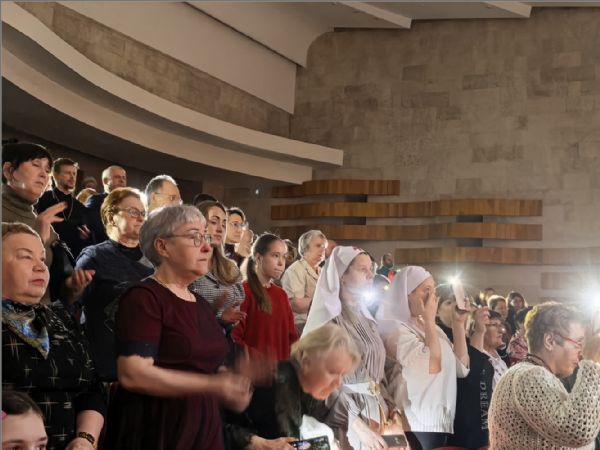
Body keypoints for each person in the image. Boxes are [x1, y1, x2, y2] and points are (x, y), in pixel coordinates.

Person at [103, 205, 252, 450]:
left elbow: (206, 367)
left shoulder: (201, 304)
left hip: (203, 430)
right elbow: (133, 374)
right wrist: (212, 384)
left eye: (205, 237)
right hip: (160, 430)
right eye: (194, 237)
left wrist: (233, 383)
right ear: (163, 247)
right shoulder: (144, 297)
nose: (207, 247)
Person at [2, 222, 106, 450]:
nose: (40, 266)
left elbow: (92, 390)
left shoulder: (62, 318)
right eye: (25, 257)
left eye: (42, 258)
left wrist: (85, 439)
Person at [303, 246, 403, 450]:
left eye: (371, 269)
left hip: (378, 413)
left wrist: (394, 411)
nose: (370, 275)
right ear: (342, 277)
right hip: (345, 421)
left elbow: (378, 372)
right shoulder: (328, 322)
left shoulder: (367, 319)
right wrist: (357, 426)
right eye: (362, 269)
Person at [376, 266, 470, 450]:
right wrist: (429, 320)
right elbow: (430, 366)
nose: (432, 296)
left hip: (439, 421)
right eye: (425, 290)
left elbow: (461, 369)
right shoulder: (394, 327)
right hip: (413, 422)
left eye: (433, 290)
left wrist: (458, 325)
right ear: (407, 294)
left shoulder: (431, 327)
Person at [226, 323, 360, 450]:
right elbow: (222, 427)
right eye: (332, 372)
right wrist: (256, 442)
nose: (338, 383)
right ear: (306, 361)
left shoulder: (308, 388)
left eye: (342, 375)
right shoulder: (278, 384)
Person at [488, 302, 600, 449]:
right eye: (578, 343)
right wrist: (591, 360)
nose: (580, 352)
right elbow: (577, 431)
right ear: (550, 341)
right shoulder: (528, 376)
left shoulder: (534, 374)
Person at [75, 187, 154, 381]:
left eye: (143, 213)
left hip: (147, 364)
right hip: (107, 364)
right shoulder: (94, 256)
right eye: (133, 212)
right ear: (112, 217)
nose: (140, 218)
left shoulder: (156, 261)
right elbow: (73, 304)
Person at [2, 142, 94, 304]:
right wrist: (38, 239)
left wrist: (72, 286)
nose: (44, 175)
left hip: (39, 317)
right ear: (9, 170)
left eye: (46, 170)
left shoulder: (45, 223)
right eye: (36, 165)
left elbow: (53, 292)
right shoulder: (41, 222)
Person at [232, 233, 298, 360]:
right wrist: (260, 360)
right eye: (275, 255)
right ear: (258, 257)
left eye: (284, 257)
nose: (281, 263)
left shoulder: (282, 294)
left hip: (281, 369)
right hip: (255, 369)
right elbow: (235, 337)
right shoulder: (243, 291)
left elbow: (292, 337)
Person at [190, 201, 246, 327]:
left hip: (225, 336)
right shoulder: (186, 266)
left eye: (224, 224)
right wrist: (218, 314)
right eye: (214, 222)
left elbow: (237, 309)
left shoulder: (230, 267)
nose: (220, 229)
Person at [448, 306, 494, 450]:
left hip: (481, 427)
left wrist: (480, 331)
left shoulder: (481, 357)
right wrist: (476, 331)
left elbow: (476, 363)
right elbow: (467, 368)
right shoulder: (448, 342)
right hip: (463, 428)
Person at [36, 158, 93, 259]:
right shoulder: (41, 199)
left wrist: (84, 237)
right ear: (56, 175)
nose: (72, 177)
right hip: (45, 255)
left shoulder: (80, 207)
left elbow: (85, 243)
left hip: (72, 259)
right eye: (67, 173)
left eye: (74, 174)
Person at [281, 230, 328, 334]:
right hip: (301, 326)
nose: (322, 250)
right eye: (318, 246)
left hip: (321, 323)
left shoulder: (323, 272)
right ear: (305, 247)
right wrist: (325, 299)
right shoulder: (295, 270)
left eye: (324, 247)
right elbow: (297, 305)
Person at [84, 165, 127, 243]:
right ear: (105, 181)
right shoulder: (96, 200)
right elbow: (95, 230)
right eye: (117, 177)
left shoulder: (128, 204)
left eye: (124, 178)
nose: (122, 180)